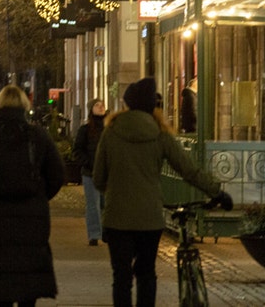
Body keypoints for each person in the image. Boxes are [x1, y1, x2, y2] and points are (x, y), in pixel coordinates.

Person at [94, 77, 233, 307]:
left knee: (121, 278)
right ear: (152, 106)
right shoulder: (160, 134)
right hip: (149, 219)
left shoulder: (111, 133)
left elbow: (99, 178)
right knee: (147, 274)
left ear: (127, 104)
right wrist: (217, 192)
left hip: (117, 218)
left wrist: (115, 190)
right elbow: (188, 170)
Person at [0, 84, 65, 307]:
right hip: (32, 219)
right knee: (29, 284)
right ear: (24, 107)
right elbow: (57, 174)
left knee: (0, 288)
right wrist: (39, 196)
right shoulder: (38, 136)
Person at [72, 98, 108, 246]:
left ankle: (107, 232)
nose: (100, 107)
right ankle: (94, 234)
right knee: (93, 204)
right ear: (91, 109)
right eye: (97, 105)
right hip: (90, 173)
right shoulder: (85, 130)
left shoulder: (110, 128)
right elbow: (77, 150)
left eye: (102, 105)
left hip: (107, 174)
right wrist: (88, 163)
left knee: (106, 204)